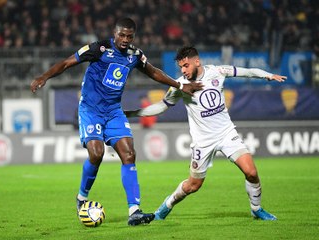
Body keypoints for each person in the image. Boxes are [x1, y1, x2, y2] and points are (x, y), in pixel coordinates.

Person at [30, 18, 203, 226]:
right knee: (96, 154)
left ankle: (134, 211)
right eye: (122, 35)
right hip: (91, 109)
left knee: (129, 154)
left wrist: (179, 85)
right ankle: (81, 198)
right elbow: (67, 62)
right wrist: (44, 76)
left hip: (113, 111)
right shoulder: (99, 49)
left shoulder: (134, 55)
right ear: (115, 33)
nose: (125, 40)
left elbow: (154, 72)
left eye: (129, 36)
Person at [125, 46, 287, 221]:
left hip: (226, 133)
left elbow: (246, 72)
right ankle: (166, 205)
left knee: (252, 173)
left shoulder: (217, 72)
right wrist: (133, 114)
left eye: (186, 65)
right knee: (193, 186)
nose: (183, 70)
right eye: (181, 67)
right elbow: (161, 107)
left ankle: (256, 209)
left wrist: (267, 75)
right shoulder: (180, 85)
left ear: (197, 61)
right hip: (203, 142)